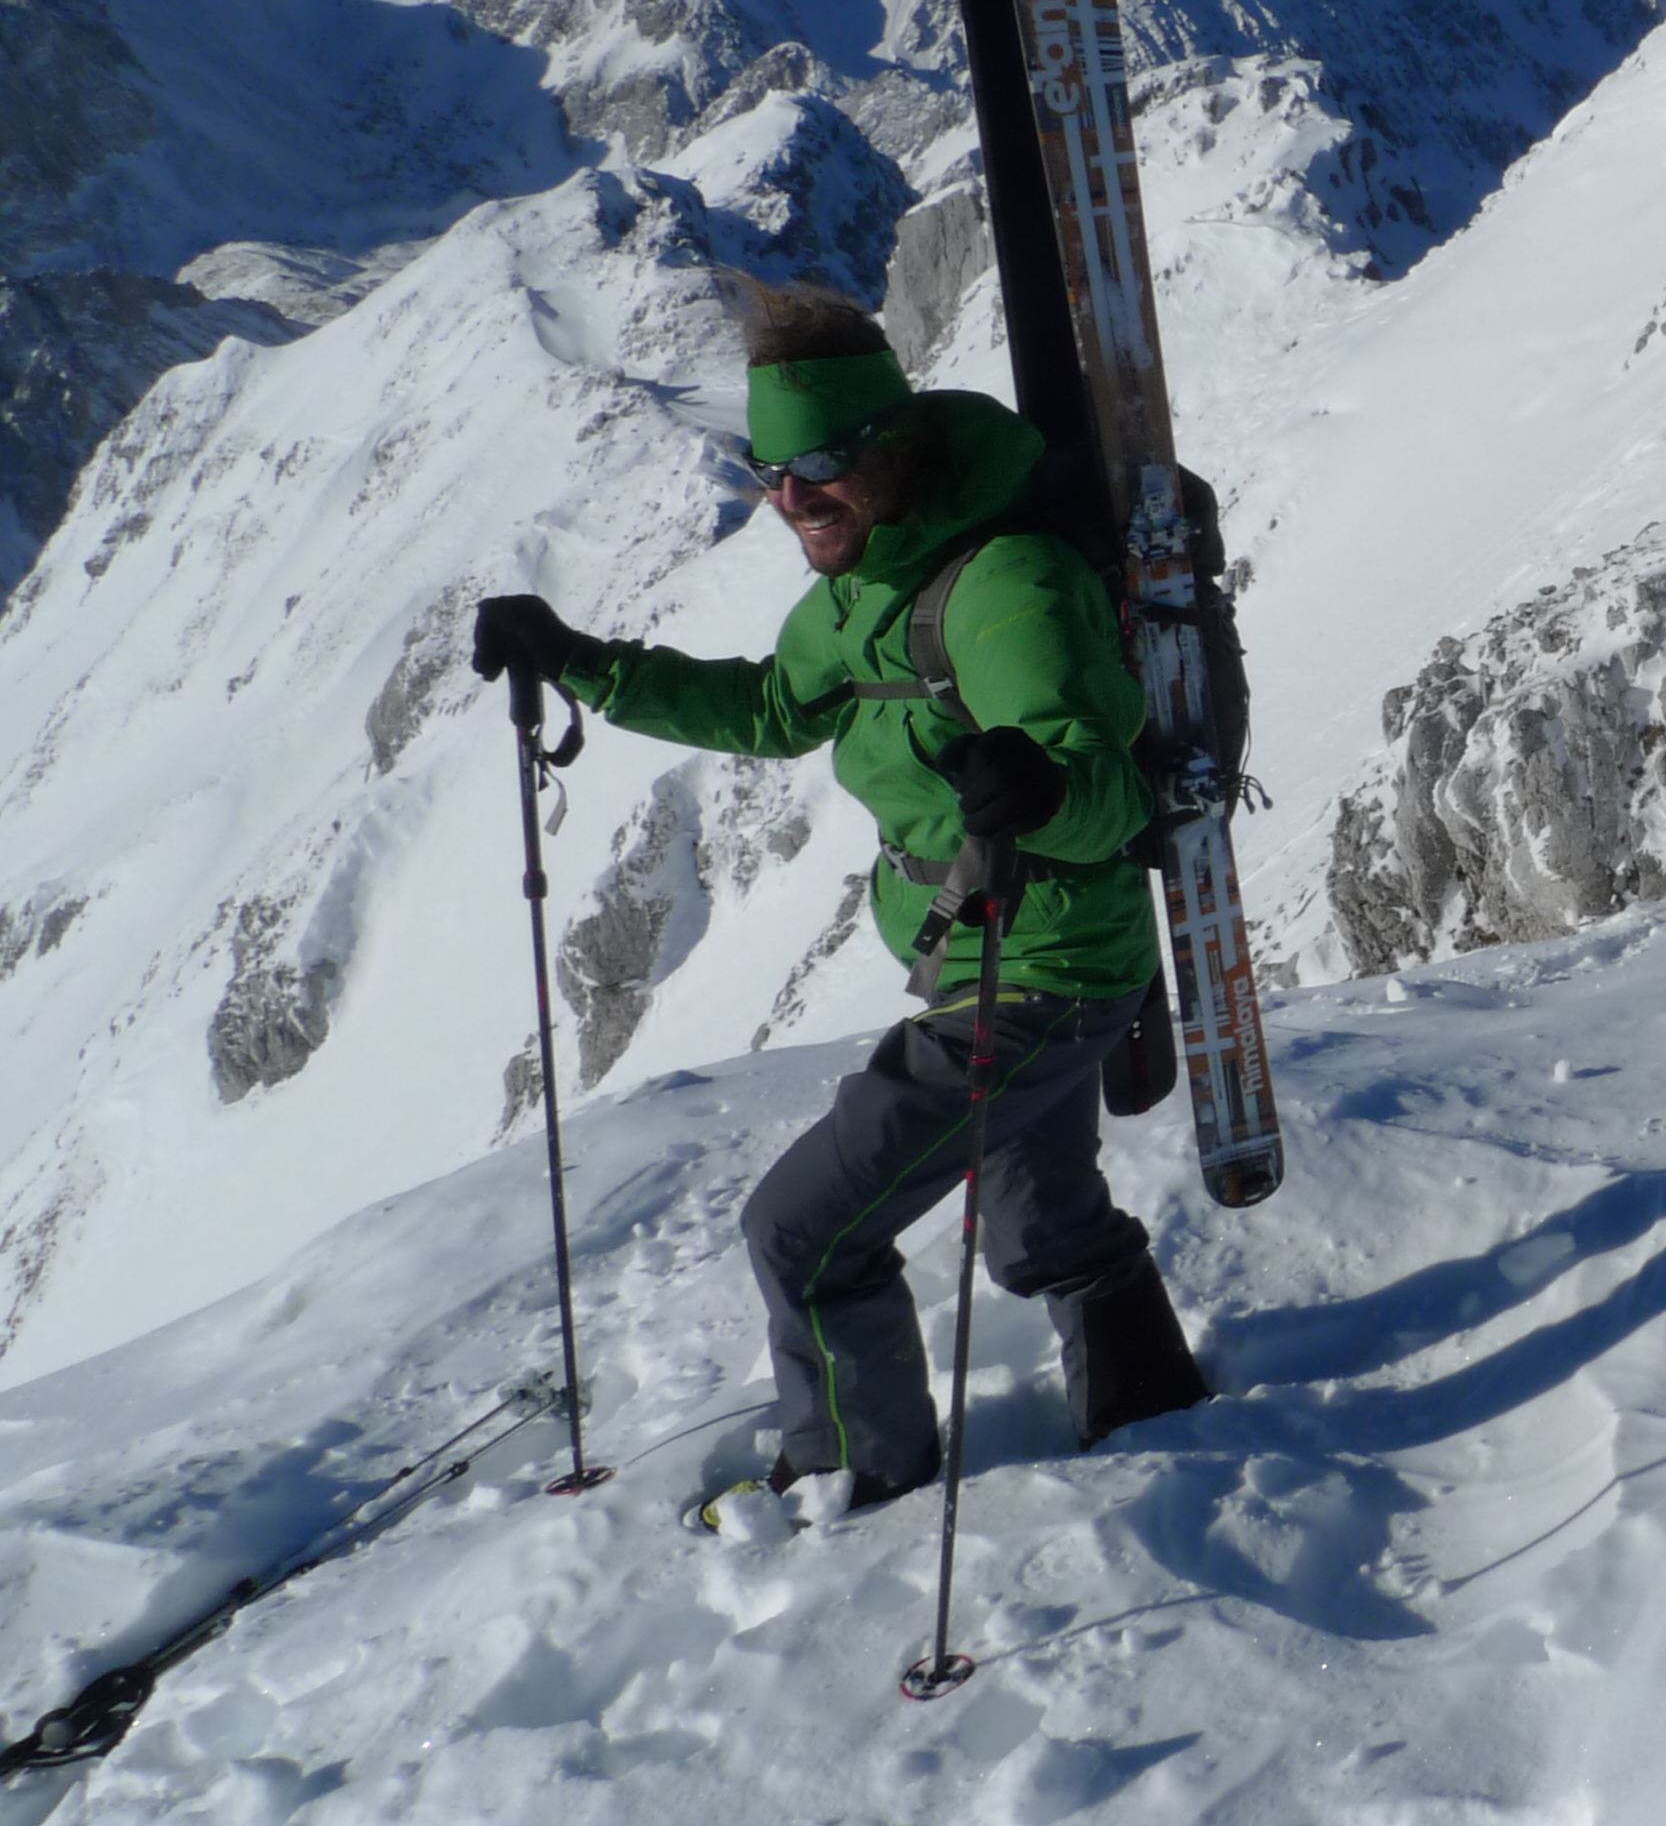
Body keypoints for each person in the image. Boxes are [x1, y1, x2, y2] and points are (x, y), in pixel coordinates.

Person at [471, 282, 1209, 1515]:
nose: (791, 496)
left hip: (1040, 972)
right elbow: (770, 709)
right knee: (1043, 1226)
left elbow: (1109, 796)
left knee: (805, 1237)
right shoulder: (859, 590)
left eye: (820, 462)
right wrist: (582, 662)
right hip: (1006, 962)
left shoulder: (1005, 586)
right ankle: (1157, 1426)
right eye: (769, 466)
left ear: (894, 447)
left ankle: (848, 1487)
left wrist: (1033, 786)